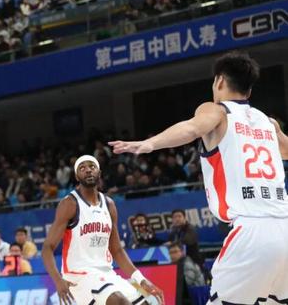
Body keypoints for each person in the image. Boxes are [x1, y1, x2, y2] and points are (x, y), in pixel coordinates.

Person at [110, 51, 288, 304]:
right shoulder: (268, 123)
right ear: (249, 91)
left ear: (219, 81)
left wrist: (149, 144)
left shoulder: (217, 111)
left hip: (252, 231)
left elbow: (192, 128)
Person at [42, 155, 164, 305]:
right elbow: (47, 248)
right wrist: (58, 280)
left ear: (99, 173)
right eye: (82, 168)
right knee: (119, 301)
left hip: (106, 273)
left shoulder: (109, 204)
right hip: (79, 277)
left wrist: (142, 280)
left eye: (92, 166)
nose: (88, 170)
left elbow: (117, 250)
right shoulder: (70, 204)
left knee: (145, 303)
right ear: (77, 176)